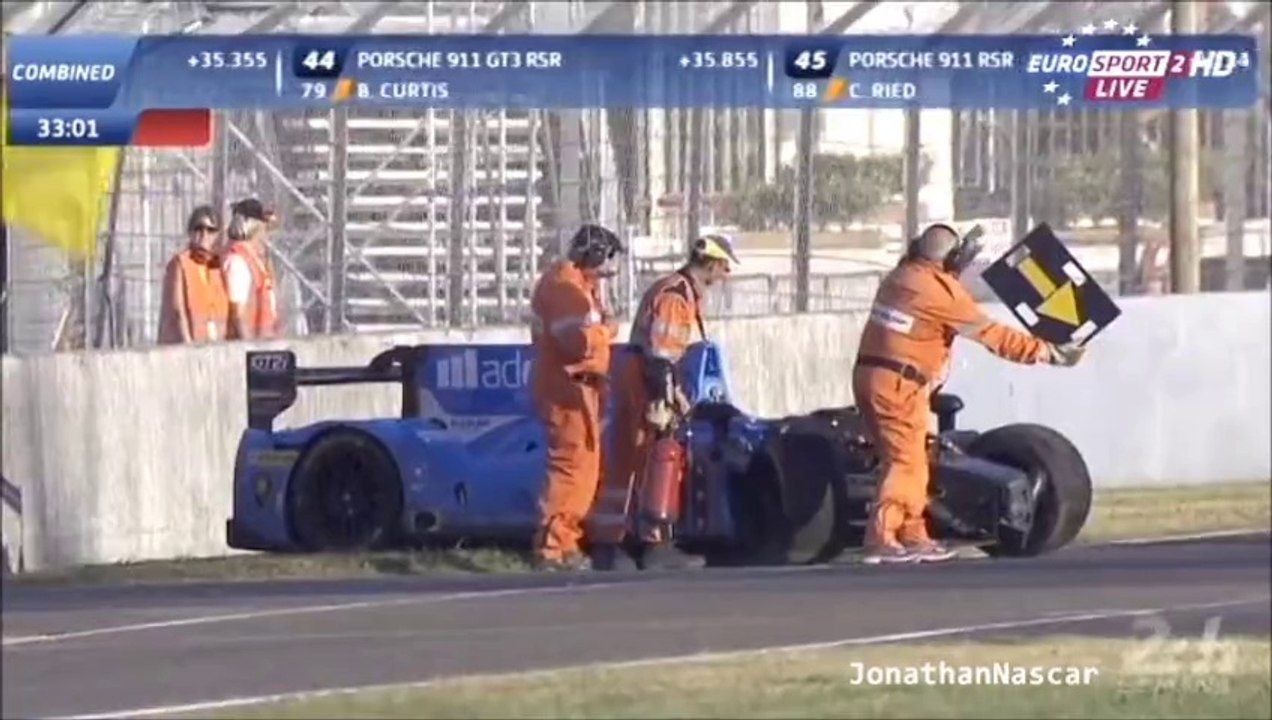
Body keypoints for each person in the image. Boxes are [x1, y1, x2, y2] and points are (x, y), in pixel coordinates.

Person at [853, 223, 1087, 565]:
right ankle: (882, 537)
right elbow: (992, 335)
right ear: (949, 258)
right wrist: (1048, 353)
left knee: (916, 458)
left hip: (883, 378)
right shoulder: (938, 292)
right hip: (898, 384)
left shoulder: (901, 277)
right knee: (905, 462)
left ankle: (913, 533)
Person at [588, 233, 739, 572]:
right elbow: (662, 356)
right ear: (712, 265)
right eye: (724, 267)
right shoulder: (676, 296)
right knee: (653, 459)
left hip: (640, 374)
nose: (725, 275)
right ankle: (653, 546)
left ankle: (615, 546)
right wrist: (664, 399)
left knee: (631, 463)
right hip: (645, 379)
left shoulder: (675, 290)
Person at [527, 223, 625, 571]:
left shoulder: (581, 286)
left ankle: (565, 540)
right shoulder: (564, 289)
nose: (607, 273)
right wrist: (607, 331)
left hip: (581, 388)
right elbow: (579, 342)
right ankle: (551, 546)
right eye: (605, 263)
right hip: (566, 389)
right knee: (570, 468)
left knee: (585, 470)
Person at [157, 205, 229, 344]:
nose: (204, 235)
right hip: (183, 347)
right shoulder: (180, 263)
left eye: (210, 230)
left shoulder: (216, 264)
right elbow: (178, 309)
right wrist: (188, 345)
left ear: (218, 234)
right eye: (198, 228)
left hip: (214, 346)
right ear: (190, 232)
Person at [223, 198, 280, 341]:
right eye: (263, 227)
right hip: (250, 348)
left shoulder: (253, 259)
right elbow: (238, 315)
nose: (265, 234)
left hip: (262, 343)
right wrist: (248, 349)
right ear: (253, 227)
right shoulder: (238, 261)